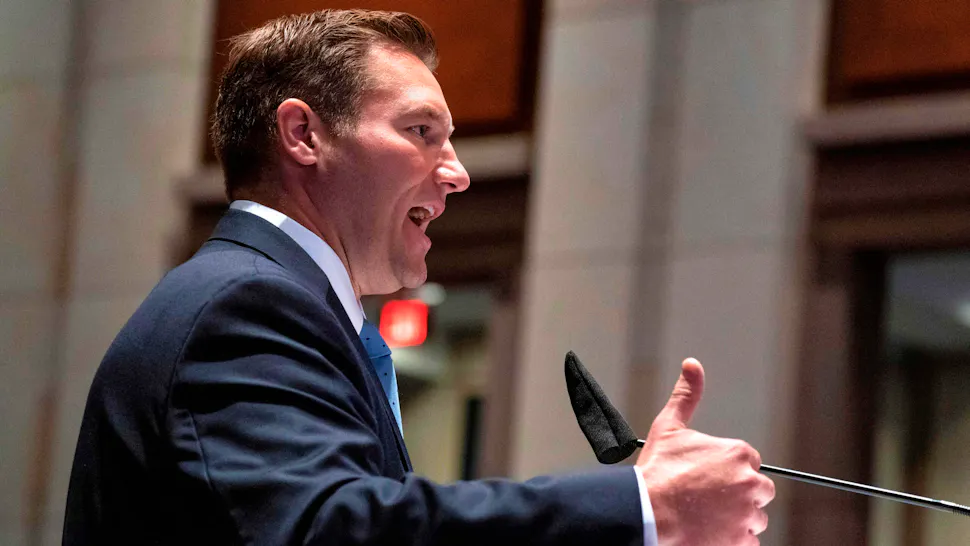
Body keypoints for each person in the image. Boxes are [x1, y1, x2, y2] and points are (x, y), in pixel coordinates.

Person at [63, 9, 774, 546]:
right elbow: (328, 531)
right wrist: (645, 507)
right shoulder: (246, 305)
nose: (458, 173)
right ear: (303, 135)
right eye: (421, 132)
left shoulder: (270, 303)